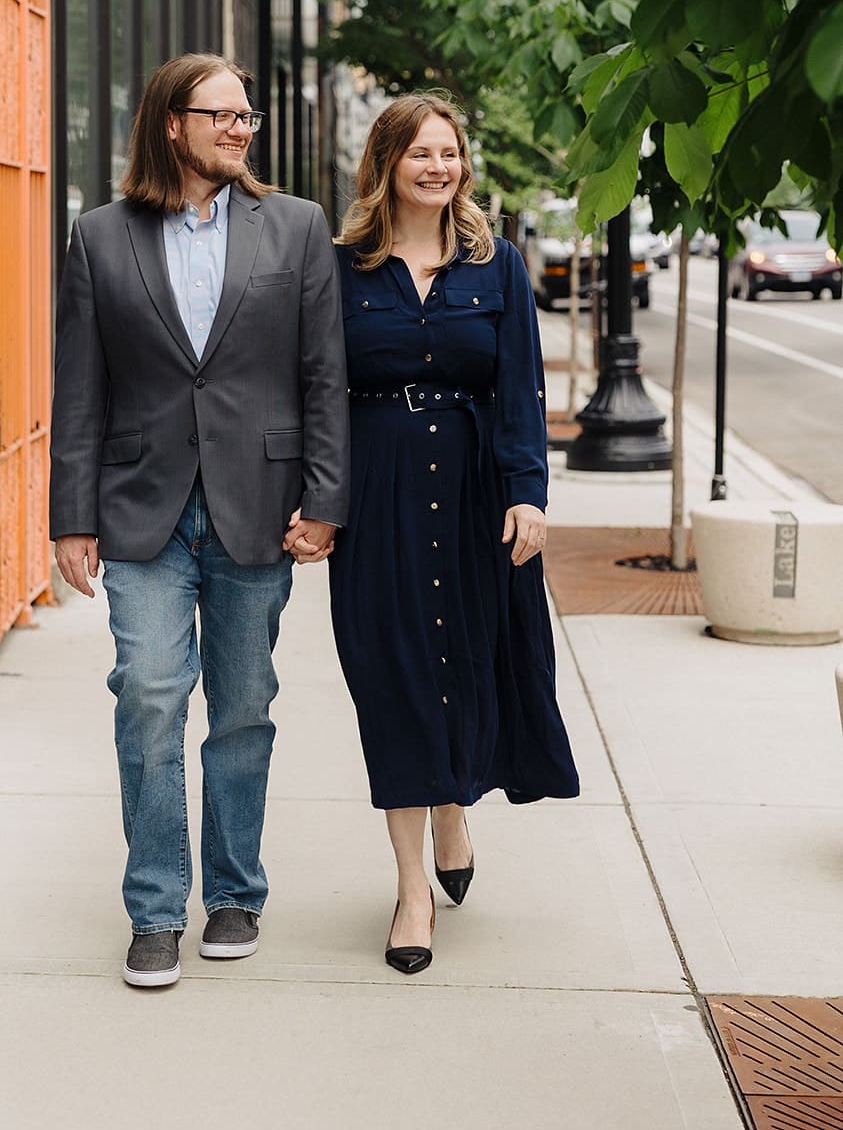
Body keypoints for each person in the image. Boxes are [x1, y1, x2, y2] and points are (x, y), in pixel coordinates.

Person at [50, 52, 348, 989]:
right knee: (146, 695)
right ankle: (152, 908)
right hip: (142, 509)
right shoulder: (99, 237)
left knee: (242, 706)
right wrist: (70, 514)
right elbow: (80, 387)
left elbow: (322, 376)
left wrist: (326, 498)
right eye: (221, 115)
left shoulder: (296, 229)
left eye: (247, 116)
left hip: (257, 507)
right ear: (170, 123)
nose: (240, 129)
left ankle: (232, 893)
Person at [328, 93, 579, 975]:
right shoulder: (342, 268)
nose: (437, 168)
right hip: (379, 494)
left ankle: (451, 806)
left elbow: (520, 388)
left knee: (467, 661)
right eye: (419, 154)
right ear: (386, 162)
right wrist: (318, 501)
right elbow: (317, 398)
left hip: (475, 493)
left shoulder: (496, 265)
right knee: (390, 675)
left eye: (449, 154)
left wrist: (527, 492)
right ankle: (409, 892)